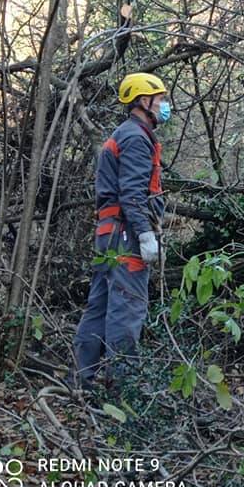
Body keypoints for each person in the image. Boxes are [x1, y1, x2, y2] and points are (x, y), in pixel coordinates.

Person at [72, 72, 170, 390]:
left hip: (109, 232)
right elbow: (132, 194)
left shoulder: (127, 133)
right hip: (126, 233)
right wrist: (144, 234)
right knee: (127, 307)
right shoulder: (136, 138)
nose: (165, 105)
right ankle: (124, 393)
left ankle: (82, 381)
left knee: (100, 305)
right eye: (161, 99)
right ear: (145, 101)